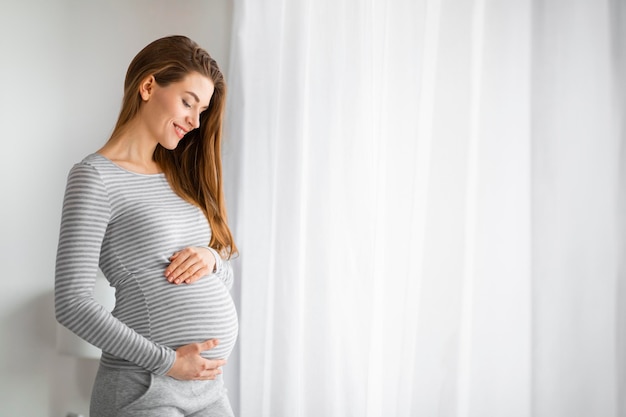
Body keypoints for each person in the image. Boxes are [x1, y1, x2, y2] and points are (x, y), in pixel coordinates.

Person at [54, 35, 239, 417]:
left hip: (208, 387)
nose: (195, 120)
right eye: (188, 102)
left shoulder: (181, 175)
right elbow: (71, 304)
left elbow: (223, 277)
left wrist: (212, 258)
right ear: (149, 85)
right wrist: (167, 362)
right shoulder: (95, 177)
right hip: (144, 387)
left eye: (202, 110)